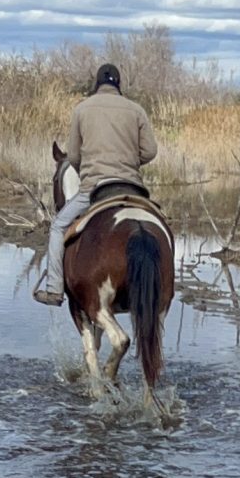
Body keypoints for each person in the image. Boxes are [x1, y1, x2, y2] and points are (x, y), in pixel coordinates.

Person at [37, 61, 160, 303]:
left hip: (94, 188)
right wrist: (128, 163)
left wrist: (90, 168)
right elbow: (150, 151)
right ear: (119, 85)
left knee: (58, 227)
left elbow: (72, 156)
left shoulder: (82, 109)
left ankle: (53, 288)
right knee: (161, 224)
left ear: (97, 84)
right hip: (131, 186)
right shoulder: (136, 110)